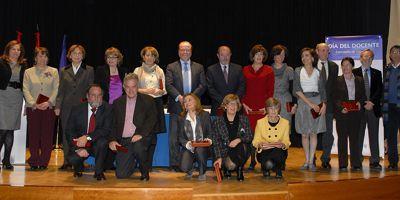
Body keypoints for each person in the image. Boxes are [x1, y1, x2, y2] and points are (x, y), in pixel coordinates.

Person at [165, 41, 206, 171]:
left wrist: (191, 99)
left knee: (194, 136)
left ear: (191, 51)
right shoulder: (171, 67)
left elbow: (203, 85)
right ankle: (174, 164)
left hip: (194, 108)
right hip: (177, 106)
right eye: (182, 49)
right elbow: (168, 85)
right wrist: (181, 98)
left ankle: (193, 162)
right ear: (178, 51)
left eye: (188, 49)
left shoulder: (199, 67)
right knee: (174, 137)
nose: (185, 52)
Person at [108, 73, 157, 181]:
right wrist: (112, 140)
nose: (131, 90)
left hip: (141, 138)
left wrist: (141, 134)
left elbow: (151, 120)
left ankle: (144, 172)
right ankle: (132, 160)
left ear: (137, 86)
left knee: (138, 147)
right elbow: (113, 124)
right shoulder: (117, 103)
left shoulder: (148, 100)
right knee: (121, 174)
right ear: (124, 87)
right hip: (124, 141)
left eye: (133, 86)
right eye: (128, 87)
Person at [55, 44, 94, 170]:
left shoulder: (89, 70)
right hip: (66, 107)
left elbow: (91, 90)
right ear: (69, 55)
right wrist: (57, 106)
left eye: (79, 53)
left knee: (81, 133)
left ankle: (80, 160)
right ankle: (67, 160)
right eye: (74, 53)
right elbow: (60, 91)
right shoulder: (63, 70)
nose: (77, 55)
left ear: (83, 55)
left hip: (82, 107)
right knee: (66, 133)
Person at [23, 47, 59, 170]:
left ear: (48, 58)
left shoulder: (54, 71)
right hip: (33, 108)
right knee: (33, 135)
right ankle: (33, 161)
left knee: (47, 136)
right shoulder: (28, 72)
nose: (42, 58)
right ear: (35, 58)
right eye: (39, 55)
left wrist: (49, 102)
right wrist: (33, 103)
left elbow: (56, 88)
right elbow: (25, 89)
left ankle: (44, 161)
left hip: (48, 108)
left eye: (44, 56)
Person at [66, 84, 112, 180]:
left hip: (97, 144)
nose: (96, 98)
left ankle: (99, 172)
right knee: (72, 158)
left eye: (99, 95)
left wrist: (87, 137)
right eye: (93, 95)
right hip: (80, 144)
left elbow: (105, 130)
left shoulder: (107, 109)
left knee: (102, 142)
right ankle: (78, 169)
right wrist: (77, 148)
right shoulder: (76, 109)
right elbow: (69, 131)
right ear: (87, 96)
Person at [133, 46, 167, 171]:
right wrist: (147, 91)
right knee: (143, 133)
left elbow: (164, 90)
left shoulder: (159, 71)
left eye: (152, 55)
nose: (149, 58)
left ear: (155, 58)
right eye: (147, 55)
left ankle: (148, 165)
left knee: (153, 136)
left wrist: (159, 91)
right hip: (142, 104)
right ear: (143, 57)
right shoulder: (137, 70)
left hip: (156, 103)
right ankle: (141, 163)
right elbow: (133, 88)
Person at [242, 44, 274, 170]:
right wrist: (243, 104)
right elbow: (242, 89)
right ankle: (251, 161)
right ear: (252, 56)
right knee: (249, 136)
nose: (259, 56)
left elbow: (270, 91)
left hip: (262, 108)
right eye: (257, 54)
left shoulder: (268, 70)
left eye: (261, 54)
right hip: (247, 107)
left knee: (260, 135)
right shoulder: (244, 70)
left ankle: (263, 160)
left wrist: (266, 108)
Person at [293, 47, 326, 171]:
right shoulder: (297, 71)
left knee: (313, 132)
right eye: (302, 56)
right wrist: (310, 104)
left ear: (312, 58)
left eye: (307, 55)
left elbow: (322, 90)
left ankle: (311, 161)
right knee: (304, 133)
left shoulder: (318, 71)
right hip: (303, 102)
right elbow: (296, 89)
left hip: (317, 102)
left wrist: (324, 105)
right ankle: (306, 160)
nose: (304, 58)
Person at [353, 49, 383, 170]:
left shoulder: (377, 73)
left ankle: (375, 161)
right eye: (365, 56)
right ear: (360, 58)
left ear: (372, 60)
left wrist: (372, 102)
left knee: (374, 135)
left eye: (370, 57)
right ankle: (357, 161)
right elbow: (353, 90)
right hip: (359, 108)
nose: (367, 59)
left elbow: (379, 90)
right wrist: (363, 102)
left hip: (372, 108)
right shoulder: (354, 72)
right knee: (358, 135)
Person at [333, 57, 366, 171]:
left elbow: (363, 96)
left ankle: (356, 163)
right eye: (343, 65)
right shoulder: (337, 80)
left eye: (348, 65)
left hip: (355, 113)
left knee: (354, 139)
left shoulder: (359, 80)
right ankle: (342, 164)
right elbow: (334, 97)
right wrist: (341, 108)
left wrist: (360, 103)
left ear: (352, 66)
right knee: (342, 139)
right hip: (342, 113)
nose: (345, 67)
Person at [0, 40, 28, 170]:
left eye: (18, 50)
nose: (16, 52)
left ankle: (6, 160)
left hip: (17, 98)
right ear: (8, 50)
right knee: (3, 129)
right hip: (2, 97)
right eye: (13, 49)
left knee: (10, 129)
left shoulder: (24, 65)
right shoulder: (1, 62)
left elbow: (26, 83)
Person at [212, 94, 252, 181]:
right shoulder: (218, 121)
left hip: (240, 150)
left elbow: (249, 136)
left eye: (235, 104)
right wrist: (219, 157)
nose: (233, 106)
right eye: (230, 104)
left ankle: (240, 169)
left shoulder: (244, 119)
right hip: (225, 151)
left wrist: (238, 140)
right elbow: (216, 142)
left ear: (238, 106)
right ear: (225, 106)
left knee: (243, 145)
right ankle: (227, 168)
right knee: (230, 166)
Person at [252, 98, 290, 178]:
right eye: (271, 108)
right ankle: (272, 168)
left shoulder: (285, 123)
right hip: (264, 151)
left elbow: (287, 140)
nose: (273, 111)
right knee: (267, 157)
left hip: (278, 151)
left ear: (279, 110)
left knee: (278, 152)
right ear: (266, 110)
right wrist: (260, 144)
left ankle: (274, 168)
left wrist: (283, 144)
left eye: (276, 108)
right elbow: (255, 140)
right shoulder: (260, 122)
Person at [178, 93, 213, 181]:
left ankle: (202, 172)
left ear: (196, 101)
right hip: (189, 148)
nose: (187, 102)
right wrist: (187, 144)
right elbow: (180, 137)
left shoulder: (205, 115)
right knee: (184, 167)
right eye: (185, 101)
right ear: (184, 106)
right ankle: (190, 169)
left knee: (199, 149)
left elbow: (210, 132)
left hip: (203, 148)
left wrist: (208, 139)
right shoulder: (181, 118)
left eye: (190, 100)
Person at [315, 43, 339, 169]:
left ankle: (325, 158)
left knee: (328, 133)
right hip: (314, 105)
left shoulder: (334, 66)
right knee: (312, 132)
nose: (325, 53)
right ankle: (311, 158)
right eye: (322, 50)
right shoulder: (311, 65)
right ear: (317, 51)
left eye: (327, 50)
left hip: (329, 106)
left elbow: (334, 88)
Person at [206, 46, 245, 115]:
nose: (225, 57)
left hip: (235, 106)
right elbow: (210, 89)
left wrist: (233, 100)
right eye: (222, 55)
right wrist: (224, 101)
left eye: (227, 55)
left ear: (230, 55)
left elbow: (242, 86)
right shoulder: (211, 70)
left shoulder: (238, 68)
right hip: (218, 106)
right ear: (218, 56)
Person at [382, 45, 400, 170]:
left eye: (398, 52)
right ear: (390, 55)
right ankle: (393, 162)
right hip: (389, 107)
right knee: (391, 135)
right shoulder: (386, 69)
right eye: (393, 52)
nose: (395, 54)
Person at [271, 44, 296, 127]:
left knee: (285, 128)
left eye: (283, 55)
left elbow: (293, 89)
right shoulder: (268, 70)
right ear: (274, 55)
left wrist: (294, 105)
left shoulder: (289, 70)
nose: (281, 57)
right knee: (272, 129)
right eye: (279, 54)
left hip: (286, 102)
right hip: (272, 102)